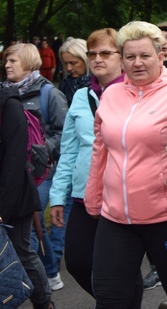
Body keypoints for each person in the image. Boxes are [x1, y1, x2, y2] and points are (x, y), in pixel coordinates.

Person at [85, 21, 167, 309]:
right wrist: (93, 200)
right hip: (117, 217)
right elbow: (100, 151)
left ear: (160, 56)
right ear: (121, 59)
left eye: (145, 55)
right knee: (110, 299)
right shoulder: (111, 95)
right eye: (130, 56)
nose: (137, 63)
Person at [48, 29, 125, 299]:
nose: (98, 59)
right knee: (78, 263)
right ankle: (113, 302)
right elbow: (68, 151)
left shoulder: (136, 93)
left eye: (105, 53)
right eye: (93, 54)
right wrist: (58, 195)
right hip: (83, 194)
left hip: (122, 195)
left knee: (119, 268)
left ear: (121, 56)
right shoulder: (81, 96)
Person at [3, 43, 68, 291]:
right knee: (24, 232)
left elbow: (64, 132)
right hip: (16, 170)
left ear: (29, 63)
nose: (7, 65)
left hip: (43, 171)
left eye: (13, 61)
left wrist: (39, 150)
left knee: (32, 223)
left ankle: (49, 274)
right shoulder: (5, 93)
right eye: (6, 61)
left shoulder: (48, 93)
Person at [0, 87, 54, 309]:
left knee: (21, 252)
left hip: (14, 193)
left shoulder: (9, 106)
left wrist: (2, 210)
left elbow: (14, 158)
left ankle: (45, 304)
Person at [58, 38, 91, 106]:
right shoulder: (65, 84)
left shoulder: (100, 83)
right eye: (66, 63)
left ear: (86, 60)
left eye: (73, 63)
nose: (68, 68)